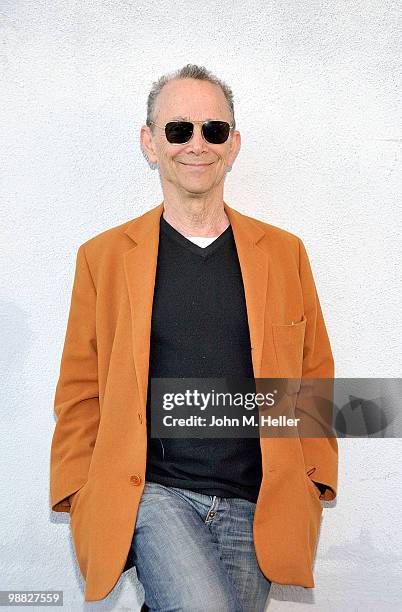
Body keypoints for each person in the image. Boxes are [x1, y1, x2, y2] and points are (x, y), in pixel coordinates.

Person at [50, 64, 338, 610]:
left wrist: (315, 478)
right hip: (152, 494)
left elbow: (314, 374)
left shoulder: (284, 253)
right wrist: (79, 488)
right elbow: (79, 388)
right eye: (179, 129)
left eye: (213, 129)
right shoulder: (104, 258)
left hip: (254, 500)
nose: (196, 144)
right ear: (151, 142)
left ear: (233, 143)